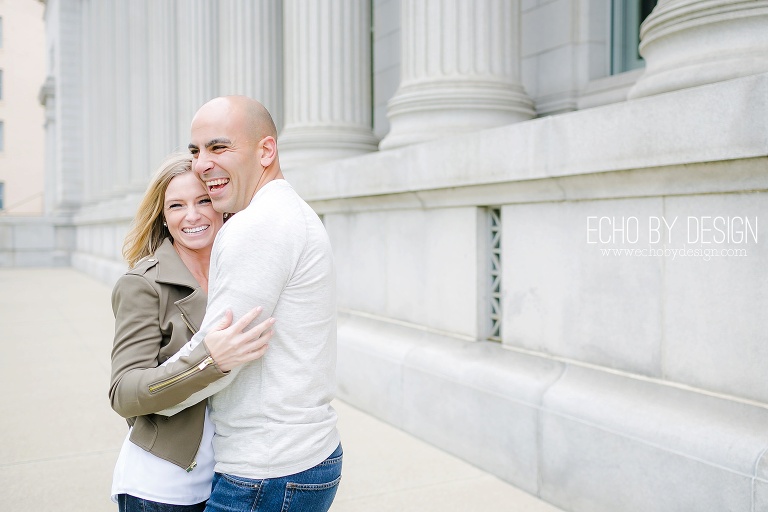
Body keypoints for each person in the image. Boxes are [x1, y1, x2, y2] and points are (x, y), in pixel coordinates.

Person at [155, 96, 341, 512]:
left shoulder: (258, 226)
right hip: (297, 458)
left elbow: (220, 352)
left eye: (218, 147)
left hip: (267, 470)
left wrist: (145, 396)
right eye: (196, 150)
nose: (202, 164)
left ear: (266, 151)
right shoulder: (286, 212)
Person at [109, 152, 274, 512]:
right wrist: (207, 362)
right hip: (163, 487)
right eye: (177, 206)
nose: (193, 215)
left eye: (204, 200)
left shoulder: (243, 273)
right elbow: (123, 393)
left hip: (234, 475)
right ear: (164, 218)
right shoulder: (142, 285)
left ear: (222, 206)